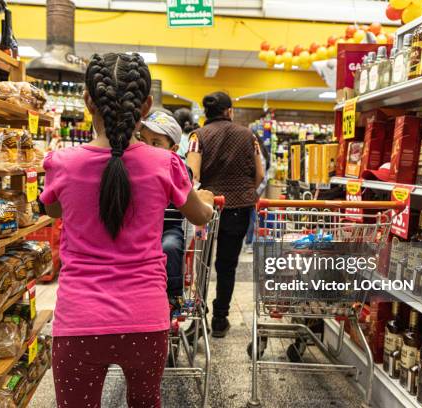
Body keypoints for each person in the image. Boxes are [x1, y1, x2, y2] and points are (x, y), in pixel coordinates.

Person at [40, 52, 215, 408]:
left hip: (78, 321)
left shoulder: (62, 164)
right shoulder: (166, 163)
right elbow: (200, 216)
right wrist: (208, 200)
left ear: (88, 101)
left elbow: (54, 208)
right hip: (145, 320)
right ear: (146, 105)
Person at [186, 91, 264, 338]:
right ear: (229, 111)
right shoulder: (248, 135)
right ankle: (221, 319)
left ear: (206, 113)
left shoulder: (198, 136)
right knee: (227, 265)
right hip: (239, 207)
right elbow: (260, 174)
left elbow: (193, 175)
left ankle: (199, 316)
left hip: (207, 209)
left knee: (203, 262)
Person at [139, 110, 190, 306]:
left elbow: (188, 183)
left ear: (174, 149)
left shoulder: (178, 168)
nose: (147, 148)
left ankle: (172, 293)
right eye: (143, 140)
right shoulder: (132, 165)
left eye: (156, 143)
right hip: (140, 228)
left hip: (168, 226)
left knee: (170, 245)